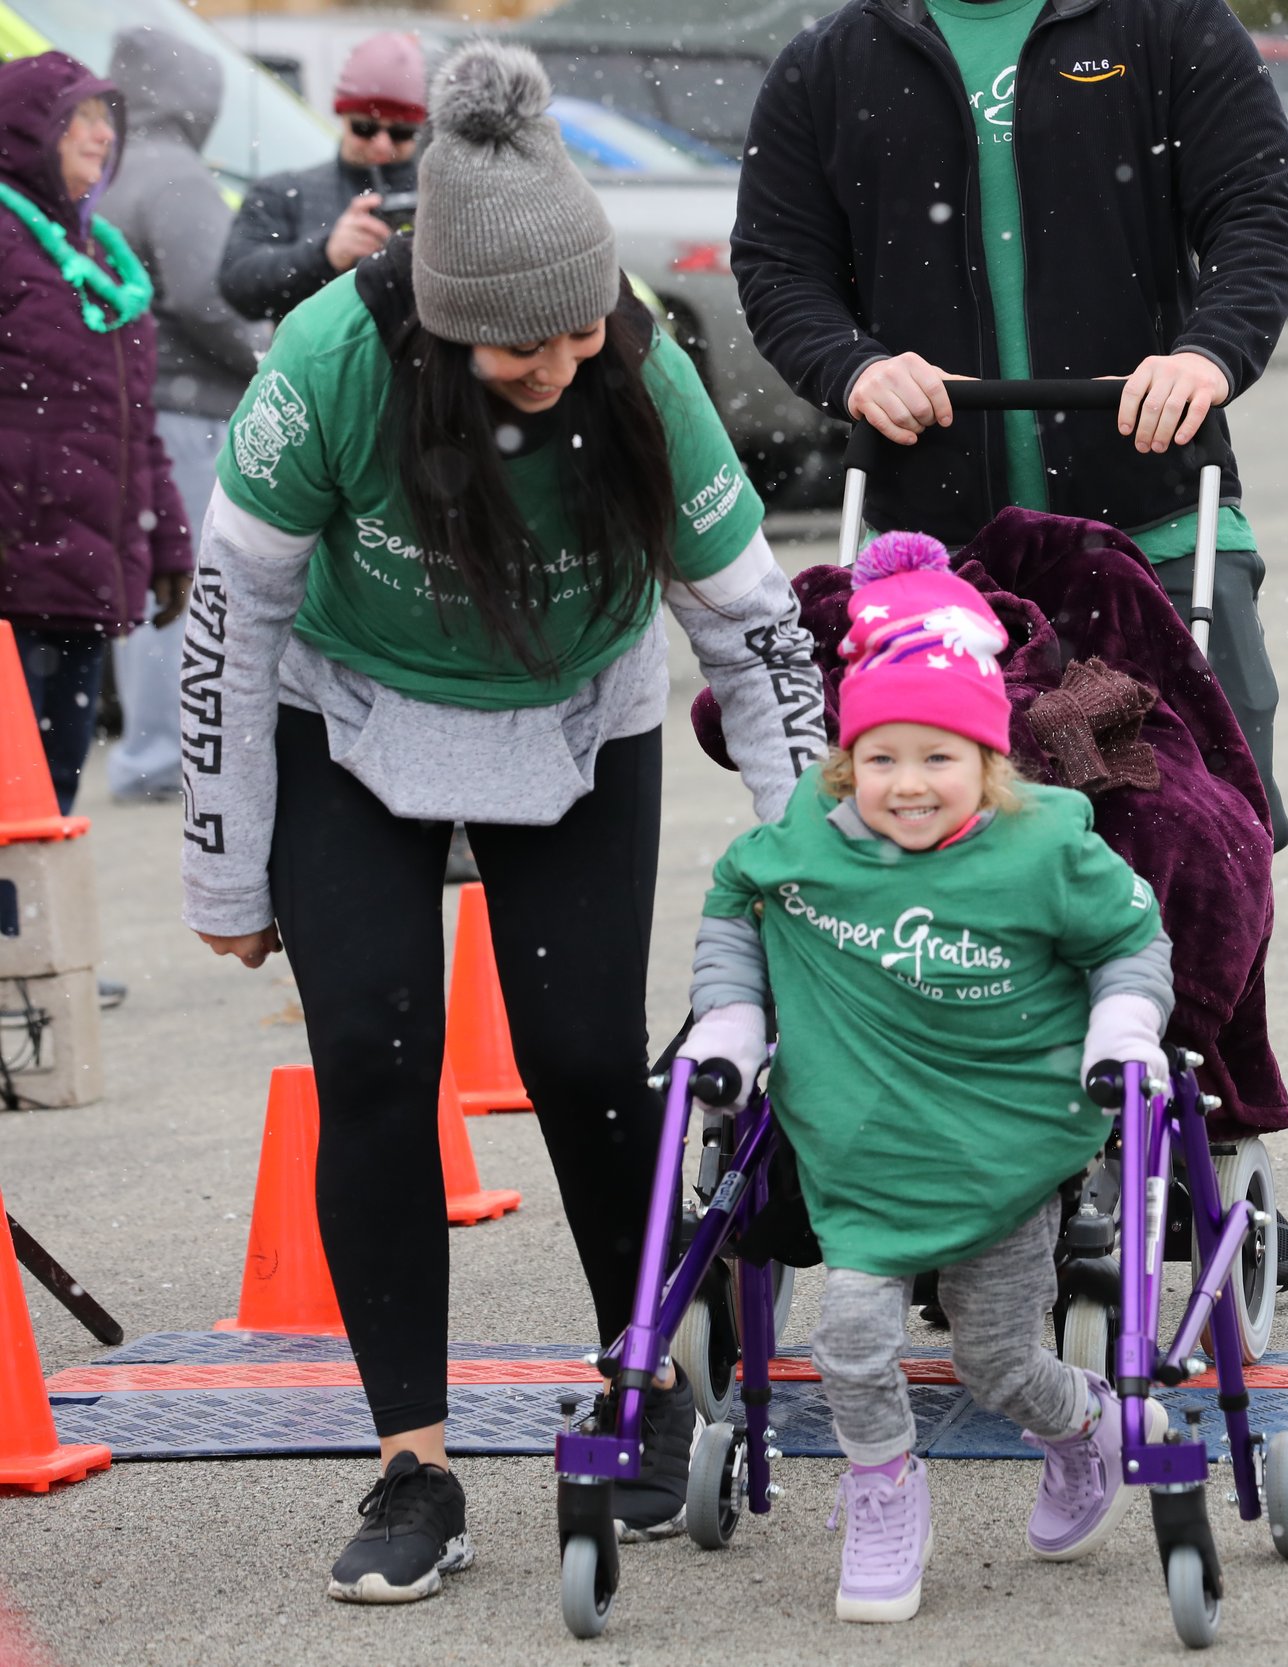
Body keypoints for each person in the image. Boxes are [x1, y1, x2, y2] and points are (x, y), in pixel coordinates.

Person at [178, 42, 827, 1605]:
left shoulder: (642, 370)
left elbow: (752, 627)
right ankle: (414, 1462)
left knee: (588, 1062)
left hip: (574, 721)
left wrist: (815, 859)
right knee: (374, 1058)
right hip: (352, 719)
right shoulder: (329, 362)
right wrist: (224, 857)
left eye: (578, 325)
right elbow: (229, 614)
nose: (559, 358)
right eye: (521, 343)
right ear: (446, 322)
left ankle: (643, 1372)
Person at [681, 530, 1174, 1624]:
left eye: (939, 757)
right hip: (864, 1157)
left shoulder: (1044, 848)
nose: (909, 784)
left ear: (989, 761)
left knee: (999, 1363)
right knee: (850, 1342)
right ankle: (883, 1489)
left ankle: (1082, 1425)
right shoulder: (806, 844)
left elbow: (1131, 940)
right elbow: (732, 904)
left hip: (1003, 1147)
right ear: (847, 761)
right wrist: (732, 1014)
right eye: (883, 758)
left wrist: (1123, 1024)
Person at [731, 0, 1288, 850]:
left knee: (1210, 847)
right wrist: (854, 366)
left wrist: (1208, 353)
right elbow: (779, 266)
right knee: (949, 866)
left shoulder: (1169, 23)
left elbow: (1257, 212)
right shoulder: (829, 64)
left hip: (1161, 530)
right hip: (936, 566)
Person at [0, 51, 193, 816]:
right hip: (15, 576)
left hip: (79, 582)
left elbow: (134, 424)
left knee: (50, 801)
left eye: (105, 119)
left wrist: (169, 543)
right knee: (12, 803)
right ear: (28, 132)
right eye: (77, 118)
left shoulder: (96, 253)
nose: (101, 135)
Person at [97, 26, 267, 805]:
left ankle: (147, 752)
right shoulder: (175, 176)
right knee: (195, 588)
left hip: (130, 407)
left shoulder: (108, 167)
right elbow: (210, 295)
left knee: (150, 586)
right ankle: (171, 759)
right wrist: (271, 354)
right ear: (193, 96)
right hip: (189, 411)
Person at [218, 30, 423, 326]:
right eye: (365, 128)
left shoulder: (441, 196)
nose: (382, 144)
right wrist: (325, 255)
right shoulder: (285, 193)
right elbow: (237, 284)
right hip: (316, 355)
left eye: (401, 132)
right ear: (343, 118)